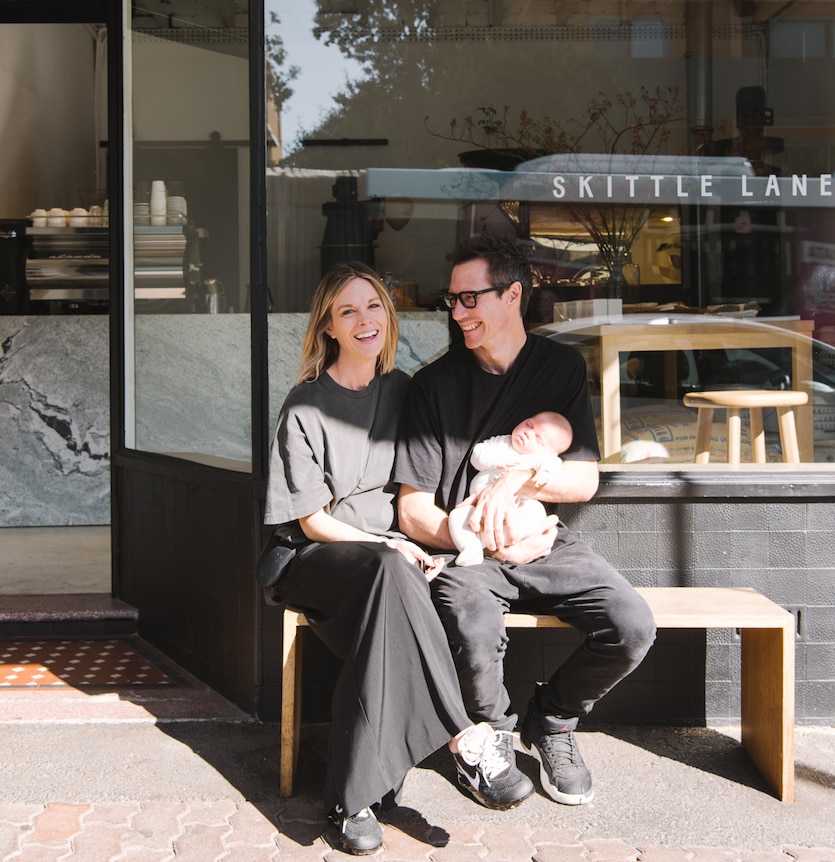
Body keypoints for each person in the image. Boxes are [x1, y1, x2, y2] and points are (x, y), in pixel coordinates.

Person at [394, 233, 657, 808]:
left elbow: (582, 481)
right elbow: (411, 509)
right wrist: (474, 534)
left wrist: (519, 482)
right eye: (452, 300)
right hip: (464, 552)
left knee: (632, 625)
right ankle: (495, 738)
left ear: (512, 295)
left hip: (542, 539)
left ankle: (556, 717)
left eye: (472, 298)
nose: (458, 312)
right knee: (472, 626)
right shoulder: (432, 387)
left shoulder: (559, 367)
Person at [264, 262, 512, 855]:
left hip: (391, 566)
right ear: (328, 326)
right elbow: (312, 521)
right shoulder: (305, 406)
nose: (364, 320)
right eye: (348, 310)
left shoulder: (405, 392)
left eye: (373, 306)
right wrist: (390, 546)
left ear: (389, 317)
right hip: (314, 559)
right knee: (386, 572)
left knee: (384, 629)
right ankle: (462, 739)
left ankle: (353, 802)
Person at [448, 411, 572, 566]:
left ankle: (493, 541)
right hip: (480, 507)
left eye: (538, 439)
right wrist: (495, 462)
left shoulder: (540, 458)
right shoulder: (502, 443)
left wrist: (544, 473)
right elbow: (478, 454)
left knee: (537, 513)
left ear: (550, 451)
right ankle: (471, 548)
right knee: (456, 517)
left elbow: (553, 465)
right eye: (528, 424)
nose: (528, 433)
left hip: (517, 509)